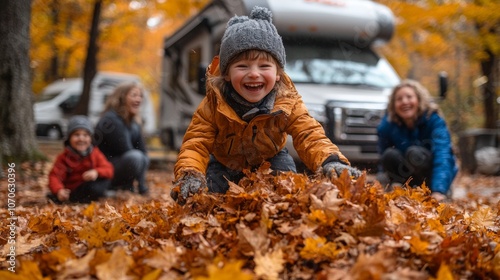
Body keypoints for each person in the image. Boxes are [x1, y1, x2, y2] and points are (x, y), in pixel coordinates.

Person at [171, 6, 361, 203]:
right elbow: (196, 143)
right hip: (225, 164)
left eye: (264, 66)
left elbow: (309, 134)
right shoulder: (213, 104)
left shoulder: (287, 102)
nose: (254, 73)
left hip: (272, 159)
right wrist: (190, 173)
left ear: (278, 73)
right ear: (226, 74)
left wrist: (330, 161)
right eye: (242, 66)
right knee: (207, 199)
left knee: (286, 189)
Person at [376, 79, 458, 202]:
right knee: (389, 155)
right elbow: (383, 157)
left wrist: (439, 189)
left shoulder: (434, 120)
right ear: (393, 105)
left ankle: (435, 190)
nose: (404, 102)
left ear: (419, 100)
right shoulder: (388, 125)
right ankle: (403, 191)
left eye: (409, 97)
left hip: (430, 172)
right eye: (399, 99)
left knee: (414, 153)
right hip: (408, 172)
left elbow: (443, 154)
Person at [94, 82, 150, 195]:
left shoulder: (134, 122)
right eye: (134, 95)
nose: (138, 99)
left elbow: (143, 151)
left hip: (117, 163)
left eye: (140, 96)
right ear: (122, 98)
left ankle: (130, 187)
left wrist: (141, 185)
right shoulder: (112, 120)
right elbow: (126, 150)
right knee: (135, 157)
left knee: (142, 157)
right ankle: (112, 186)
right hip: (101, 168)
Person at [48, 115, 114, 203]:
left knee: (103, 181)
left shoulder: (95, 153)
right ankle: (64, 198)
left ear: (90, 139)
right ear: (69, 138)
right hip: (73, 190)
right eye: (76, 135)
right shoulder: (64, 157)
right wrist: (59, 190)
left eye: (85, 135)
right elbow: (54, 176)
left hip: (89, 185)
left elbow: (109, 169)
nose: (81, 139)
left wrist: (96, 172)